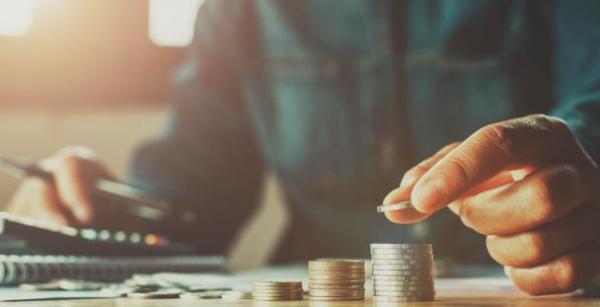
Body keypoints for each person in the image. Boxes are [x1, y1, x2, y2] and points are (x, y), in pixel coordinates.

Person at [6, 0, 600, 295]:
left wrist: (579, 169)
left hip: (540, 290)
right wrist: (95, 208)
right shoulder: (242, 10)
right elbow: (188, 197)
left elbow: (593, 101)